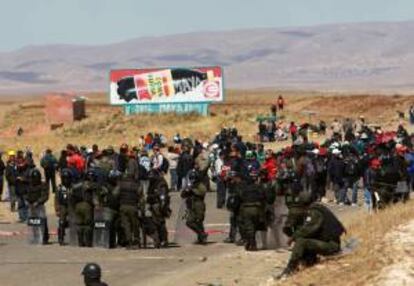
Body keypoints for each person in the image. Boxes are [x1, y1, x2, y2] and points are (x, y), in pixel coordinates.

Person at [279, 192, 346, 278]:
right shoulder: (317, 208)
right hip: (329, 242)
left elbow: (308, 229)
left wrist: (293, 237)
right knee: (305, 240)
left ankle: (290, 269)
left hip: (332, 246)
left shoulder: (315, 212)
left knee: (301, 242)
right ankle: (308, 261)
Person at [116, 161, 142, 249]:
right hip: (133, 206)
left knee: (126, 225)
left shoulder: (121, 183)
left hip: (123, 206)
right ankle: (137, 241)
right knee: (135, 225)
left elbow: (115, 194)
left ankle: (129, 242)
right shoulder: (137, 184)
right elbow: (141, 197)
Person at [181, 169, 208, 244]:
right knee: (189, 222)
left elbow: (202, 192)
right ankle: (201, 234)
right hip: (191, 205)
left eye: (194, 178)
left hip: (198, 204)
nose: (192, 180)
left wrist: (192, 190)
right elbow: (182, 195)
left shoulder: (200, 185)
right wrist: (186, 191)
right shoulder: (189, 185)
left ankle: (201, 238)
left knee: (199, 221)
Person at [24, 168, 49, 244]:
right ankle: (35, 237)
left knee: (42, 222)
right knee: (33, 223)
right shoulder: (29, 185)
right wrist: (28, 201)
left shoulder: (43, 184)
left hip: (40, 206)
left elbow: (45, 196)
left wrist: (38, 202)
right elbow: (26, 194)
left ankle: (44, 238)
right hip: (31, 206)